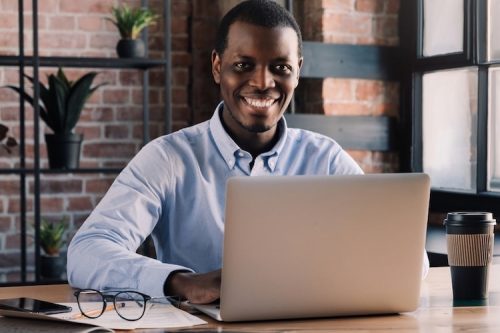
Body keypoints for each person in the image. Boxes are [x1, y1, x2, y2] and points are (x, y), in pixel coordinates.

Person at [67, 0, 428, 305]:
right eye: (243, 65)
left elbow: (410, 259)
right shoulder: (168, 158)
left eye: (280, 68)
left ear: (297, 73)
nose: (262, 82)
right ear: (217, 67)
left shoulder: (326, 158)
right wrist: (181, 282)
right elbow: (86, 254)